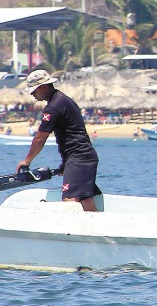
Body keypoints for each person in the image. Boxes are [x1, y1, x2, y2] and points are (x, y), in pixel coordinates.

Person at [16, 68, 101, 211]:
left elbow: (40, 138)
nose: (32, 94)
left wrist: (27, 161)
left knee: (70, 200)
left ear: (43, 87)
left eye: (33, 91)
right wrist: (66, 164)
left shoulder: (53, 107)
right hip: (82, 157)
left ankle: (73, 233)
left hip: (79, 158)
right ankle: (99, 231)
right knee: (85, 200)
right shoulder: (63, 100)